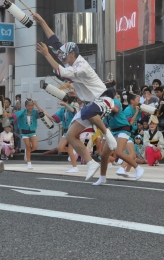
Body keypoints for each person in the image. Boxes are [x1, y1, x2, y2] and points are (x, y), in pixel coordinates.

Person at [34, 12, 117, 181]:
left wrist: (46, 55)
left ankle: (107, 132)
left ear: (72, 53)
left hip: (104, 99)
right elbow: (53, 40)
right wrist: (42, 20)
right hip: (91, 103)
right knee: (71, 135)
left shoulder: (81, 67)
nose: (62, 56)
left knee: (88, 111)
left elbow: (62, 73)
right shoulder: (71, 60)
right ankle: (90, 163)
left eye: (64, 55)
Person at [94, 92, 144, 186]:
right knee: (104, 155)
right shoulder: (103, 105)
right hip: (113, 130)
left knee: (119, 152)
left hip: (123, 128)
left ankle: (138, 168)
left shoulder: (115, 101)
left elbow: (116, 109)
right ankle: (102, 177)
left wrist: (102, 106)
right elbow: (104, 122)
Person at [5, 98, 44, 169]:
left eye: (32, 105)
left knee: (35, 146)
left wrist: (36, 105)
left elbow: (42, 112)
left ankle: (27, 152)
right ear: (26, 106)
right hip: (24, 133)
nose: (30, 107)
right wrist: (7, 114)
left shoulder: (35, 112)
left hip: (32, 132)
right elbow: (13, 116)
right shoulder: (22, 112)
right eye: (29, 105)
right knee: (28, 147)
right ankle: (29, 163)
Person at [46, 96, 78, 172]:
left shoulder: (72, 107)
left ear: (66, 101)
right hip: (66, 131)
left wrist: (65, 104)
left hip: (73, 130)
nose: (60, 101)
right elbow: (56, 119)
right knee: (60, 148)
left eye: (62, 100)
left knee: (70, 150)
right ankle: (74, 152)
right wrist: (46, 114)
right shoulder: (62, 110)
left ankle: (74, 167)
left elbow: (73, 111)